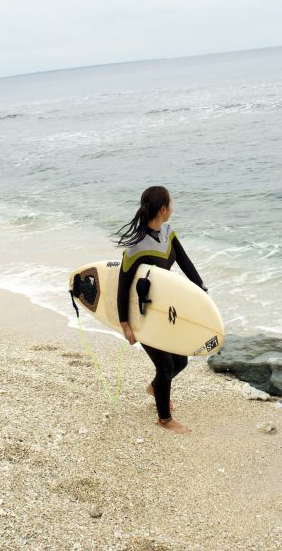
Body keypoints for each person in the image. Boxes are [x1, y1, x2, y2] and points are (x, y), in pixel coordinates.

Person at [114, 186, 205, 435]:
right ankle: (164, 418)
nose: (173, 206)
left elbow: (185, 262)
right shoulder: (135, 248)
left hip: (165, 309)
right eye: (171, 203)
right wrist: (125, 324)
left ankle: (156, 388)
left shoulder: (168, 233)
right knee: (165, 365)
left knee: (181, 360)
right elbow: (122, 288)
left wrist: (201, 291)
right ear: (163, 209)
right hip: (142, 313)